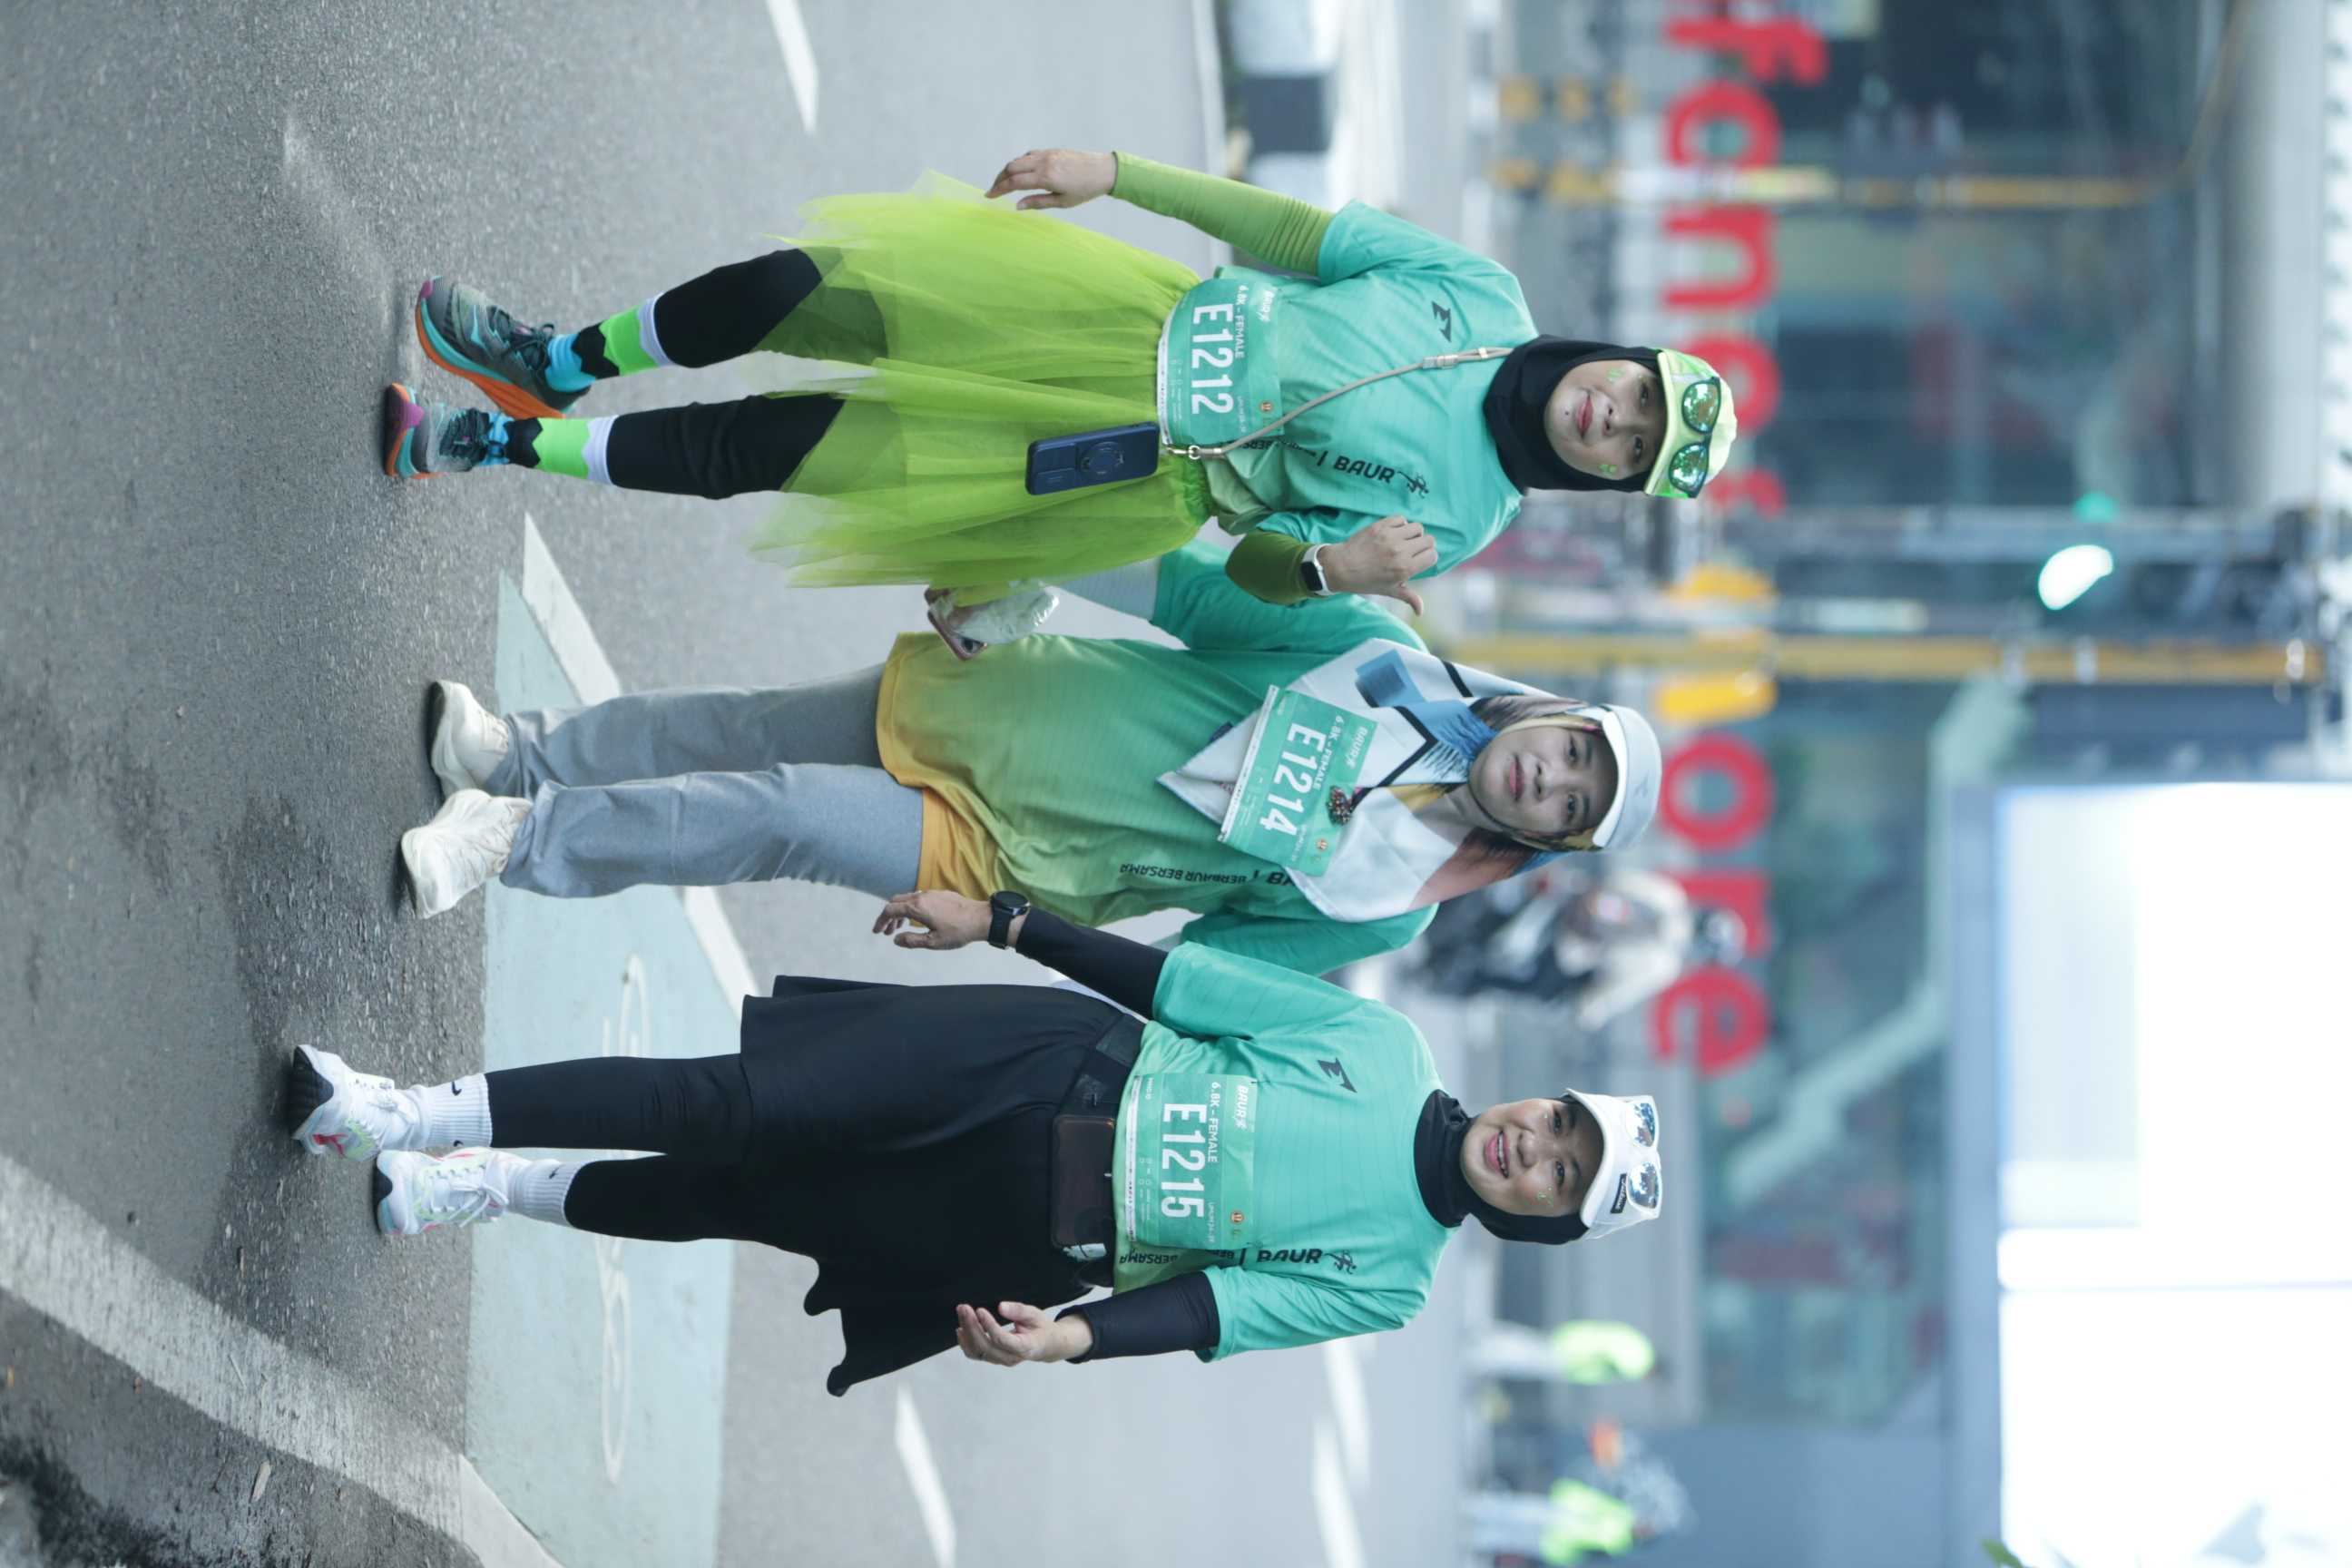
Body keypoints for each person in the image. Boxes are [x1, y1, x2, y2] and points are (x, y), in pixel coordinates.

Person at [285, 889, 1667, 1394]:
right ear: (1541, 1099)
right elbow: (1181, 987)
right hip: (1035, 1066)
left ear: (1542, 1223)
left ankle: (486, 1187)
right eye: (1557, 1126)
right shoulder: (1387, 1048)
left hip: (1031, 1227)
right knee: (732, 1102)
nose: (1531, 1150)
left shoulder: (1395, 1279)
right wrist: (1007, 922)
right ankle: (403, 1112)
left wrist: (1068, 1340)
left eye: (1558, 1179)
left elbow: (1219, 1312)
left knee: (733, 1198)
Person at [380, 147, 1740, 612]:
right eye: (1637, 393)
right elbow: (1291, 233)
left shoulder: (1468, 517)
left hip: (1118, 470)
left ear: (1604, 478)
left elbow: (1255, 563)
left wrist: (1335, 573)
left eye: (1630, 444)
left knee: (778, 448)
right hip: (1105, 312)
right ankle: (558, 364)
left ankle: (496, 447)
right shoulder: (1481, 298)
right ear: (1622, 358)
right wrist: (1120, 173)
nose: (1610, 415)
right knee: (796, 287)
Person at [397, 541, 1662, 975]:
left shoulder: (1392, 906)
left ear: (1543, 841)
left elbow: (1189, 974)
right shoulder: (1376, 654)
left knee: (781, 814)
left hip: (1017, 859)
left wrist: (1006, 933)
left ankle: (510, 842)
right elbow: (1188, 593)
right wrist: (1026, 559)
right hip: (1007, 707)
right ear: (1553, 716)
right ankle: (517, 756)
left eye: (1571, 806)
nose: (1551, 780)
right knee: (748, 730)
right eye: (1573, 754)